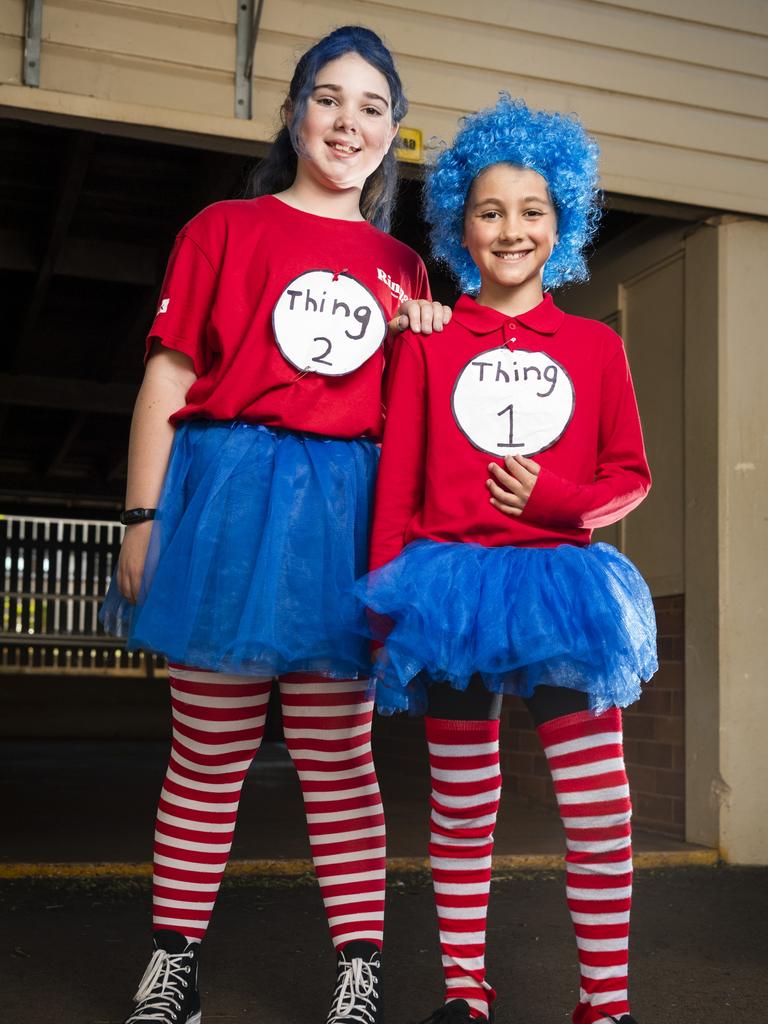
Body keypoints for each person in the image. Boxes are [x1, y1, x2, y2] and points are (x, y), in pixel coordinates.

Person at [100, 25, 450, 1024]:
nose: (348, 121)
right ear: (295, 111)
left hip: (349, 526)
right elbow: (168, 372)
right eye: (329, 97)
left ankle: (359, 970)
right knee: (205, 752)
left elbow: (417, 420)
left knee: (339, 758)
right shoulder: (223, 227)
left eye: (372, 106)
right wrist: (140, 515)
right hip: (230, 509)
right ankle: (174, 964)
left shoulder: (403, 265)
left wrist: (425, 340)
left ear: (393, 132)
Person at [353, 96, 657, 1024]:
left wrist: (560, 502)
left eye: (532, 211)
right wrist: (380, 613)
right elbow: (396, 486)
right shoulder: (432, 344)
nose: (511, 228)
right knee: (461, 801)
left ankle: (605, 1003)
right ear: (458, 224)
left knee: (598, 803)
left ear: (561, 224)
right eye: (489, 211)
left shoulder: (597, 346)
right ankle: (464, 993)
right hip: (450, 587)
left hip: (563, 588)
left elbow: (629, 475)